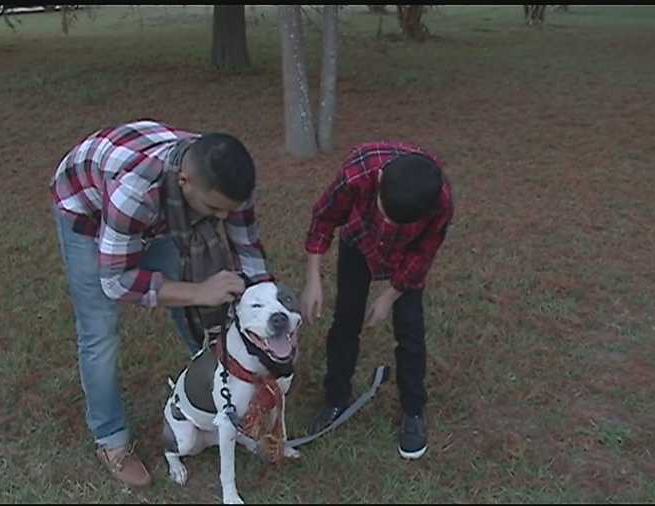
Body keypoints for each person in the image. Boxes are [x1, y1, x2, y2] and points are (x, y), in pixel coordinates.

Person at [50, 119, 270, 487]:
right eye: (214, 209)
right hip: (85, 206)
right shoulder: (134, 193)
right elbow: (116, 281)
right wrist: (199, 291)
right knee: (100, 331)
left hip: (153, 207)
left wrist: (265, 305)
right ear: (185, 182)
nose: (220, 219)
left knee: (196, 285)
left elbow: (247, 248)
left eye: (227, 210)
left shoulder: (230, 180)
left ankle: (215, 384)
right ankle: (111, 440)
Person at [300, 141, 454, 460]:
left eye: (401, 221)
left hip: (406, 255)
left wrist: (389, 296)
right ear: (380, 180)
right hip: (358, 242)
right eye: (387, 213)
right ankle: (335, 399)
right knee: (346, 321)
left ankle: (413, 411)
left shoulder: (440, 201)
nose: (390, 224)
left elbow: (423, 255)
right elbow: (323, 219)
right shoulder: (360, 170)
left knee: (411, 333)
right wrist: (313, 279)